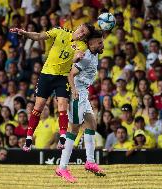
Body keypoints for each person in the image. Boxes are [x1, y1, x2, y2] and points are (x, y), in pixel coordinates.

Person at [10, 23, 95, 151]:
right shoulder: (60, 31)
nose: (81, 34)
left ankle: (62, 138)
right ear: (78, 27)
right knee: (38, 107)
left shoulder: (82, 45)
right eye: (82, 30)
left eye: (85, 34)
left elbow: (77, 56)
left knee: (62, 105)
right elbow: (39, 36)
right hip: (46, 75)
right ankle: (28, 139)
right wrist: (25, 33)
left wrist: (77, 58)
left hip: (62, 77)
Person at [56, 30, 105, 183]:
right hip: (77, 94)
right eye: (99, 43)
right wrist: (74, 91)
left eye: (102, 42)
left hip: (84, 93)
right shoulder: (86, 58)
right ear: (91, 45)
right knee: (74, 129)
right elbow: (70, 74)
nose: (102, 45)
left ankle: (90, 162)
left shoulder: (94, 52)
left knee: (91, 123)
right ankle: (62, 167)